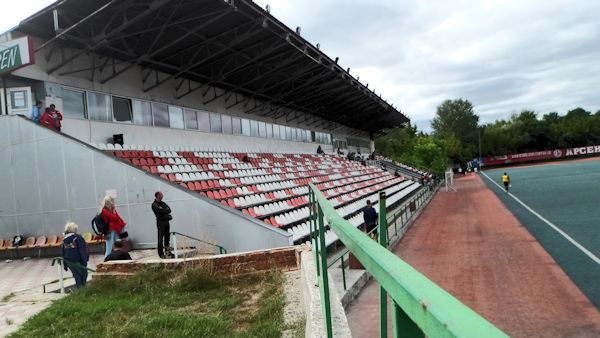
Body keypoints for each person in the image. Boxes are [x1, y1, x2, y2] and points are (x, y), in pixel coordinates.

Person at [62, 222, 89, 288]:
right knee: (84, 274)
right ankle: (82, 289)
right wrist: (85, 261)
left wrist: (65, 264)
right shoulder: (77, 238)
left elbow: (63, 252)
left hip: (69, 261)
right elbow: (82, 250)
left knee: (77, 275)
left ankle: (80, 290)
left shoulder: (65, 239)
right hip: (78, 261)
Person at [152, 191, 172, 258]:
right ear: (157, 196)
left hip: (166, 222)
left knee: (167, 238)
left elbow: (169, 210)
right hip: (161, 223)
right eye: (161, 195)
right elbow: (160, 211)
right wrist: (164, 211)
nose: (162, 196)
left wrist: (163, 211)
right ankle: (161, 254)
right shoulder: (154, 204)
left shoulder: (163, 203)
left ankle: (168, 252)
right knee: (160, 239)